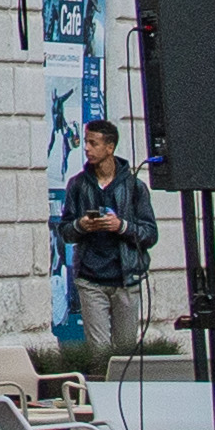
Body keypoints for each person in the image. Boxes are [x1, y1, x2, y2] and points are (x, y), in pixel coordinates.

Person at [56, 124, 156, 359]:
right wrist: (81, 225)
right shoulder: (77, 185)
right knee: (99, 352)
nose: (87, 149)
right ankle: (100, 391)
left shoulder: (134, 187)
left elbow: (150, 233)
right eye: (87, 143)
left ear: (110, 147)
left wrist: (121, 226)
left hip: (126, 278)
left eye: (94, 143)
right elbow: (65, 232)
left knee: (124, 353)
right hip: (91, 279)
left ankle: (124, 396)